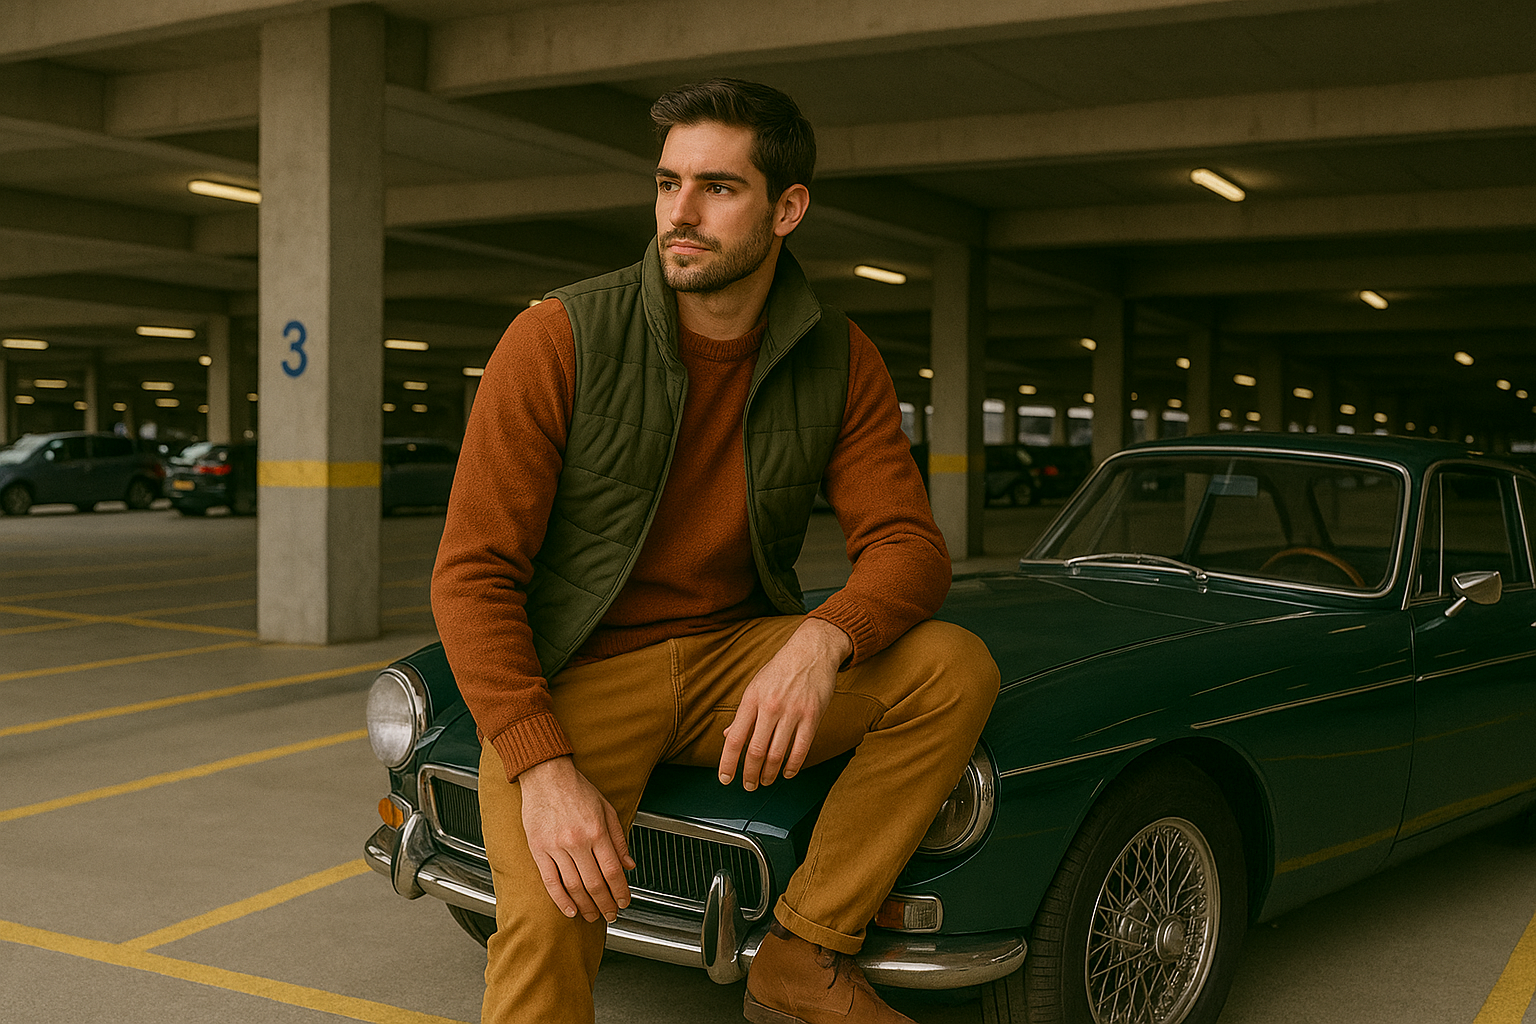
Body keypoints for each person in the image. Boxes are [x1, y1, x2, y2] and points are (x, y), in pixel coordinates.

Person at [432, 78, 1000, 1024]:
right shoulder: (558, 337)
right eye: (666, 183)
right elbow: (472, 574)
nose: (680, 214)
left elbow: (909, 545)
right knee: (545, 930)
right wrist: (542, 767)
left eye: (717, 188)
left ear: (788, 209)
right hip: (581, 676)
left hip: (735, 657)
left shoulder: (838, 356)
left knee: (952, 668)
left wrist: (821, 642)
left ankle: (806, 949)